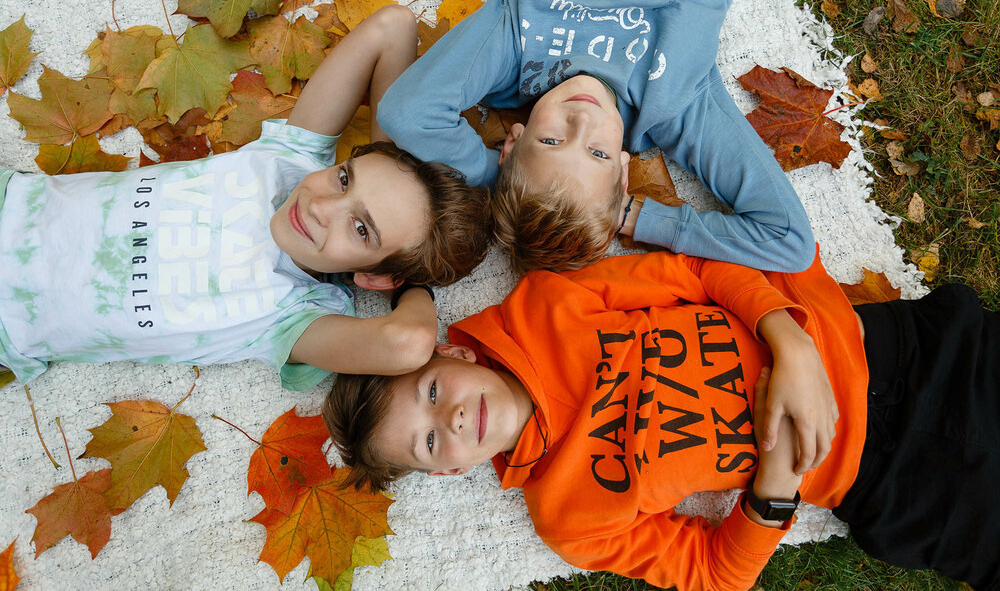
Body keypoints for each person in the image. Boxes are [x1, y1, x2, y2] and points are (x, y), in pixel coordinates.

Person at [324, 249, 999, 590]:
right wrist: (776, 478)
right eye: (431, 439)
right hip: (895, 481)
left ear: (454, 350)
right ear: (451, 468)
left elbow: (703, 269)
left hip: (897, 351)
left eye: (434, 389)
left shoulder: (551, 303)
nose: (454, 417)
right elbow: (712, 573)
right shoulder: (570, 518)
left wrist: (787, 340)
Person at [0, 6, 491, 391]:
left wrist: (409, 283)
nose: (320, 206)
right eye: (344, 179)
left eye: (361, 228)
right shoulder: (288, 161)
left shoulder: (295, 314)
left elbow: (403, 344)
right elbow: (393, 27)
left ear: (375, 274)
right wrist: (390, 155)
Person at [377, 0, 814, 274]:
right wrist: (631, 217)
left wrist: (501, 185)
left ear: (510, 144)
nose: (581, 122)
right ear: (624, 176)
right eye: (599, 153)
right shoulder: (675, 105)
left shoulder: (516, 45)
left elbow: (407, 113)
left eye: (550, 143)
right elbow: (788, 241)